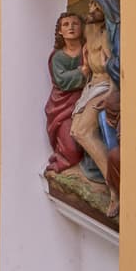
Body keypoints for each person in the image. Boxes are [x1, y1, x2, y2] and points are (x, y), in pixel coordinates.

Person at [71, 0, 119, 217]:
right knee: (74, 131)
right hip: (91, 85)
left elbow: (112, 66)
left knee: (83, 132)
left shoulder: (108, 33)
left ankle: (115, 190)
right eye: (90, 3)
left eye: (97, 4)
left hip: (104, 85)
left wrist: (111, 92)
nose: (91, 8)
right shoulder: (89, 30)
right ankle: (103, 177)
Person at [44, 11, 85, 172]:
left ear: (81, 28)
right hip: (62, 107)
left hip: (87, 99)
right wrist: (83, 71)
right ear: (60, 31)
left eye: (75, 24)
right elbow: (62, 81)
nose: (71, 27)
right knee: (72, 150)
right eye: (66, 25)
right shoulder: (58, 57)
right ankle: (63, 158)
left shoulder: (88, 50)